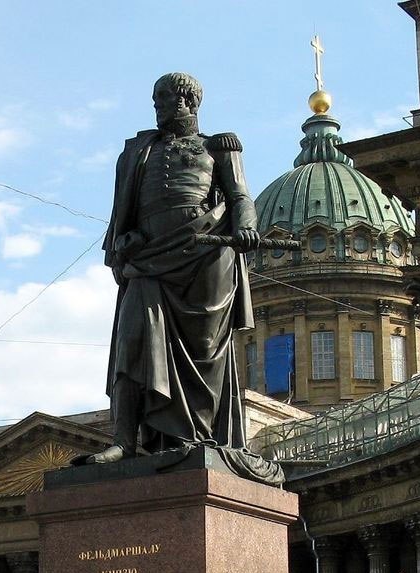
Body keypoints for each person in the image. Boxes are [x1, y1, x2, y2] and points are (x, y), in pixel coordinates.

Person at [77, 72, 275, 484]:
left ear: (188, 102)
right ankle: (125, 441)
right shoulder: (138, 151)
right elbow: (124, 211)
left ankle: (198, 436)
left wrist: (247, 229)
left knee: (204, 350)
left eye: (165, 98)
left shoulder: (219, 147)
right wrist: (123, 241)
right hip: (148, 258)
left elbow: (240, 196)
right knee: (132, 339)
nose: (159, 105)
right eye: (156, 98)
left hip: (206, 256)